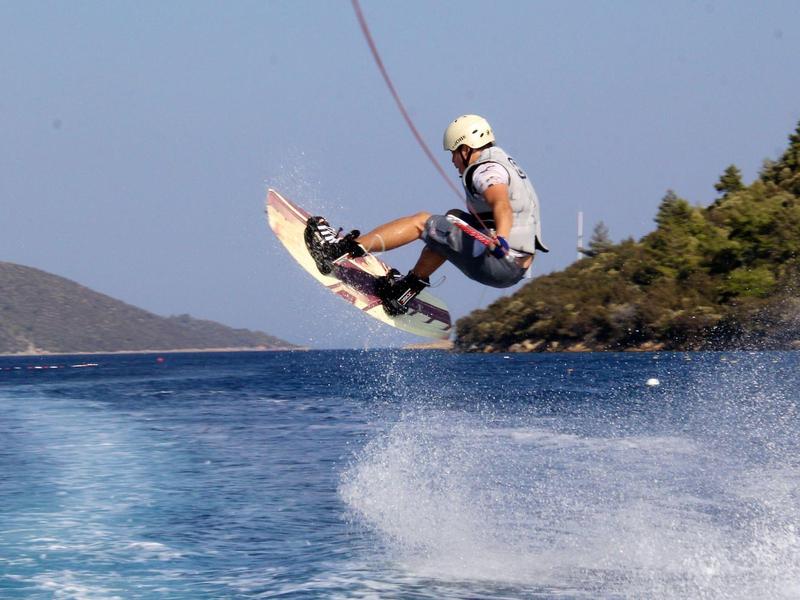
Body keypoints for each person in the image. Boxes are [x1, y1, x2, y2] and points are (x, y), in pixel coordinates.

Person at [305, 114, 547, 315]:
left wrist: (502, 238)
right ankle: (404, 291)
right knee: (449, 222)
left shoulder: (485, 171)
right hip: (514, 266)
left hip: (499, 261)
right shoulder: (500, 161)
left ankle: (337, 251)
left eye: (453, 152)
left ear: (465, 149)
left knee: (423, 222)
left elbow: (501, 204)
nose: (452, 160)